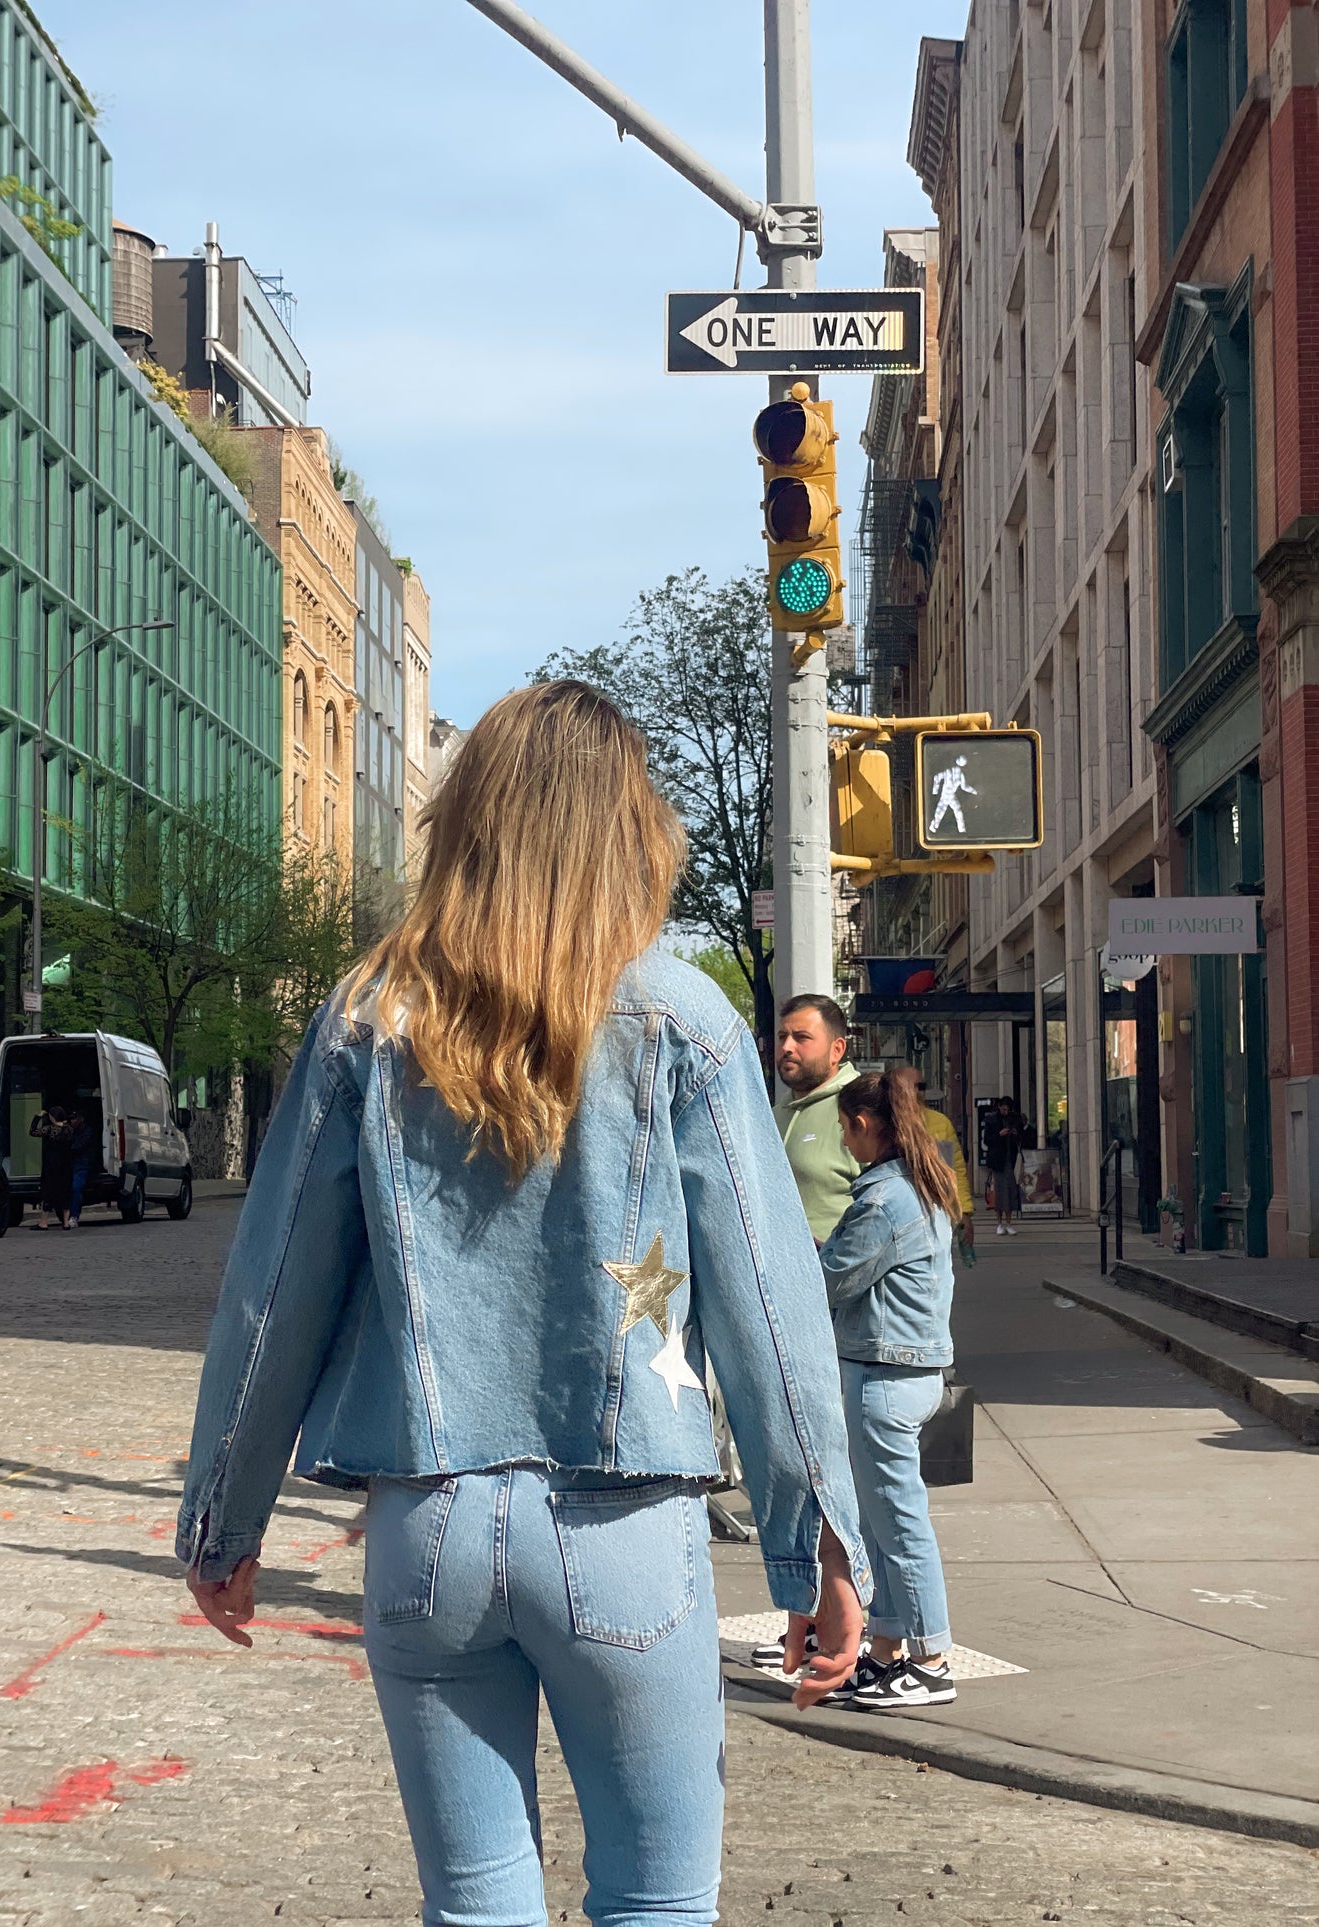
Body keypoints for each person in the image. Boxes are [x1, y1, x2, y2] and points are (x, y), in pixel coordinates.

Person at [177, 681, 870, 1927]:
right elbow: (771, 1308)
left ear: (468, 822)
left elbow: (271, 1291)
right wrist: (817, 1540)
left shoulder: (368, 1015)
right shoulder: (686, 1019)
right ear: (631, 829)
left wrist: (221, 1523)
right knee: (655, 1903)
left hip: (426, 1521)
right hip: (625, 1531)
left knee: (475, 1908)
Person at [817, 1070, 961, 1711]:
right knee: (880, 1524)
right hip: (909, 1369)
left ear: (864, 1125)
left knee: (897, 1525)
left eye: (846, 1129)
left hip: (884, 1373)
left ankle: (931, 1659)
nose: (845, 1143)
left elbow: (833, 1278)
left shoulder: (883, 1201)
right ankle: (886, 1650)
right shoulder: (919, 1185)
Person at [773, 994, 861, 1244]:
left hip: (837, 1276)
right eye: (782, 1037)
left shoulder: (865, 1108)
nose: (787, 1047)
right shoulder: (770, 1117)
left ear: (837, 1050)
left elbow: (896, 1208)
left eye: (802, 1038)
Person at [891, 1066, 974, 1255]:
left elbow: (956, 1169)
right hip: (897, 1215)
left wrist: (965, 1213)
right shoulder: (884, 1123)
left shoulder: (940, 1122)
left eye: (922, 1086)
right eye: (914, 1086)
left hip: (936, 1215)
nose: (919, 1092)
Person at [982, 1094, 1023, 1235]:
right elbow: (987, 1140)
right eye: (1003, 1108)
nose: (1005, 1111)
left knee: (1010, 1191)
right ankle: (999, 1223)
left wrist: (1015, 1133)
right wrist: (1000, 1135)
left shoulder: (1014, 1119)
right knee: (1000, 1191)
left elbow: (1021, 1137)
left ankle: (1009, 1222)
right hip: (998, 1160)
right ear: (999, 1107)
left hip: (1010, 1159)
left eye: (1008, 1109)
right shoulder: (992, 1120)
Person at [29, 1104, 72, 1231]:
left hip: (51, 1165)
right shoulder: (69, 1130)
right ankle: (66, 1222)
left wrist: (37, 1117)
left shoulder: (49, 1129)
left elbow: (32, 1132)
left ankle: (44, 1222)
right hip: (66, 1165)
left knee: (48, 1192)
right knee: (65, 1192)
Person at [67, 1110, 93, 1228]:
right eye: (71, 1118)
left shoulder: (86, 1131)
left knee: (76, 1187)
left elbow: (79, 1146)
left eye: (74, 1118)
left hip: (82, 1164)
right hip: (70, 1164)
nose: (72, 1121)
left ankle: (74, 1216)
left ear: (81, 1119)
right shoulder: (70, 1130)